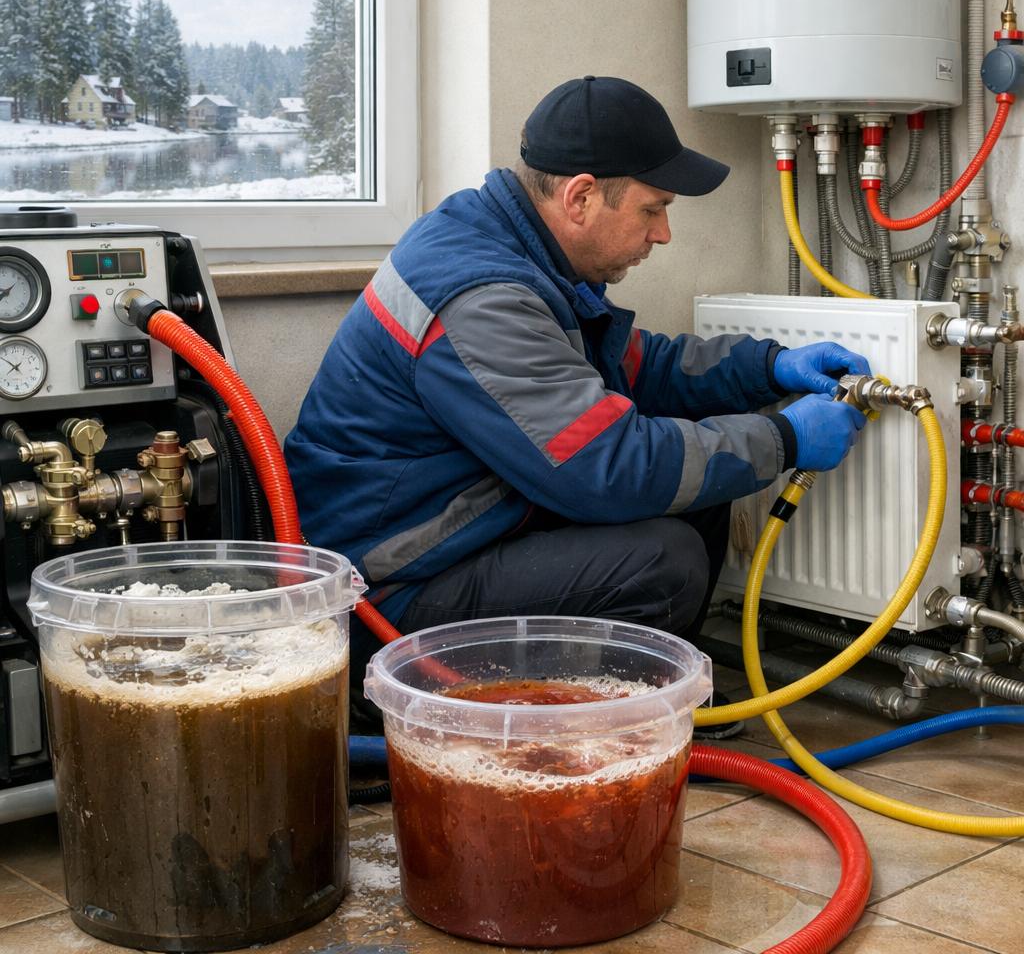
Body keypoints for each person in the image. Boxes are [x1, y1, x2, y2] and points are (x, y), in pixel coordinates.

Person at [284, 76, 870, 732]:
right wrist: (784, 440)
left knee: (698, 485)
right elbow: (606, 468)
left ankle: (648, 700)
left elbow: (640, 368)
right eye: (653, 209)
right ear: (581, 197)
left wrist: (768, 366)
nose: (665, 232)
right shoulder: (484, 299)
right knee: (662, 562)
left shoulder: (512, 248)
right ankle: (588, 737)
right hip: (384, 599)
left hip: (454, 535)